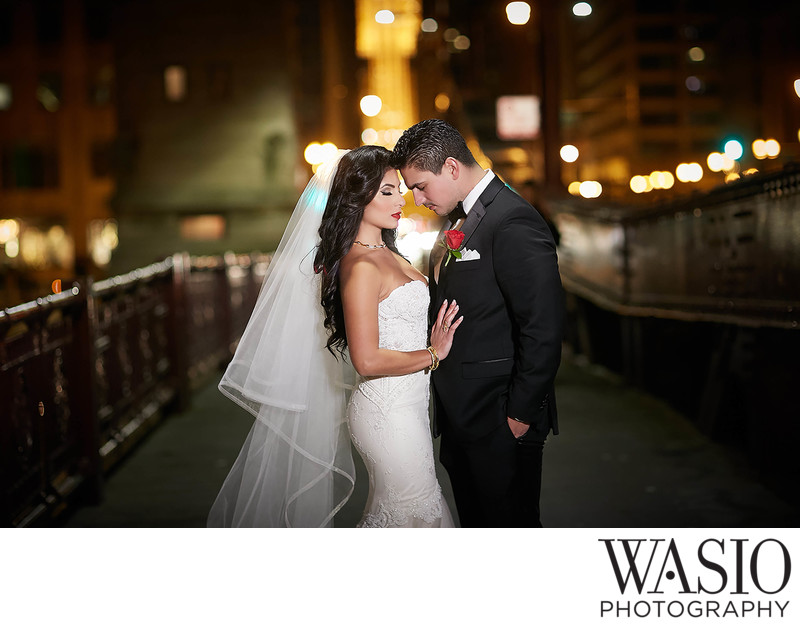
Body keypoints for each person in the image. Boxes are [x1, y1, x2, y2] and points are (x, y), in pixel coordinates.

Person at [208, 145, 461, 527]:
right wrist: (433, 354)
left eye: (399, 190)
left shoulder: (388, 253)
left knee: (411, 508)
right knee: (413, 510)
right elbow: (366, 359)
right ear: (357, 198)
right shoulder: (360, 267)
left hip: (409, 405)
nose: (400, 201)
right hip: (385, 412)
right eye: (387, 192)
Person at [392, 119, 564, 527]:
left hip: (499, 418)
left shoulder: (513, 220)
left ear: (452, 168)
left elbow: (543, 327)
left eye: (420, 186)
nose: (416, 198)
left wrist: (518, 417)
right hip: (464, 419)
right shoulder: (459, 219)